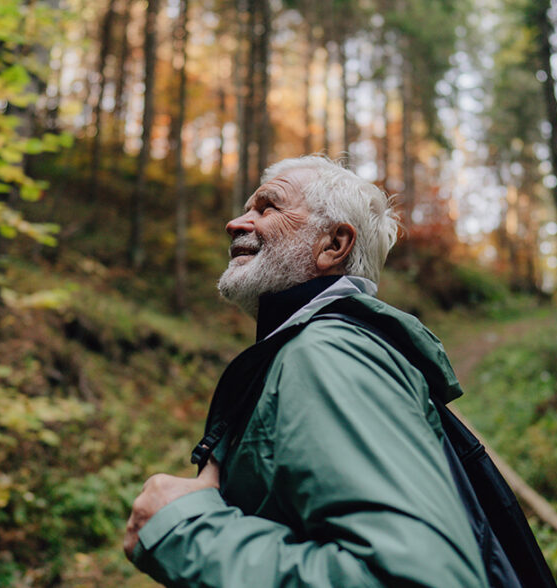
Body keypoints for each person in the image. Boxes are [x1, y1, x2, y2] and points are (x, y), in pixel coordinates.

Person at [123, 156, 489, 587]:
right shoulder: (320, 349)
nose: (235, 223)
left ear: (333, 245)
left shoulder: (330, 353)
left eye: (267, 208)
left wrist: (182, 530)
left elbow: (411, 579)